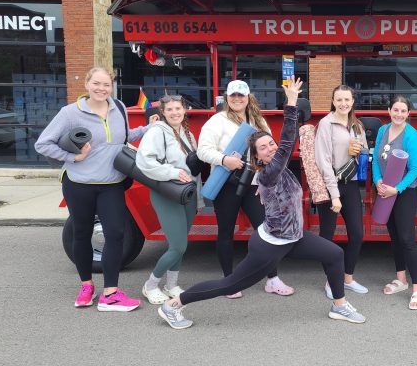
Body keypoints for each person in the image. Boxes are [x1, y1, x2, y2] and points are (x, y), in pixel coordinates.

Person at [158, 77, 366, 329]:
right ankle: (173, 305)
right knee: (230, 284)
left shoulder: (273, 170)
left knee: (335, 254)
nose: (270, 148)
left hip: (293, 237)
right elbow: (287, 140)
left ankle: (339, 306)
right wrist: (291, 102)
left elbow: (286, 146)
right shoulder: (270, 172)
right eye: (263, 148)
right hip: (271, 244)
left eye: (271, 143)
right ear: (257, 157)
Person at [35, 66, 157, 311]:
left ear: (112, 86)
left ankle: (110, 293)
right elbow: (43, 144)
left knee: (116, 234)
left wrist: (149, 128)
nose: (101, 89)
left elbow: (123, 137)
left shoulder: (119, 108)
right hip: (79, 184)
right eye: (97, 84)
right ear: (87, 84)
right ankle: (86, 285)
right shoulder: (70, 113)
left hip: (111, 184)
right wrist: (73, 157)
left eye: (106, 84)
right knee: (82, 234)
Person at [197, 79, 294, 298]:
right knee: (226, 232)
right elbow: (203, 150)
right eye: (233, 95)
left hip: (254, 184)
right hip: (226, 183)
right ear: (227, 97)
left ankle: (272, 279)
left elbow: (269, 152)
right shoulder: (217, 120)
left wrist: (266, 182)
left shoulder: (258, 120)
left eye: (241, 95)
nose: (237, 99)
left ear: (248, 97)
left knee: (266, 231)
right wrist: (224, 160)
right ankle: (229, 282)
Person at [136, 95, 203, 304]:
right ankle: (150, 285)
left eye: (178, 108)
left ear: (184, 110)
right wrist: (172, 173)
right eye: (170, 109)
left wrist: (198, 198)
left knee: (181, 242)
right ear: (163, 113)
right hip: (167, 193)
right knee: (178, 246)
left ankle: (171, 284)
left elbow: (194, 170)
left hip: (187, 193)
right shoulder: (157, 132)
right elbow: (144, 161)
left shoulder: (187, 133)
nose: (175, 113)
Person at [315, 85, 369, 299]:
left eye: (347, 99)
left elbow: (364, 153)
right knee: (327, 237)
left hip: (351, 184)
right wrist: (334, 194)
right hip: (331, 186)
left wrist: (358, 152)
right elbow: (323, 161)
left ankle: (347, 278)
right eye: (339, 99)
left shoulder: (357, 125)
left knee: (357, 234)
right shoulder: (326, 124)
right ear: (333, 101)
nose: (343, 103)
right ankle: (331, 281)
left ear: (353, 101)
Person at [372, 96, 417, 310]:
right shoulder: (382, 130)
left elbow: (414, 170)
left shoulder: (412, 135)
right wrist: (378, 181)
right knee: (394, 236)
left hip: (405, 192)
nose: (399, 114)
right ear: (389, 110)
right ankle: (401, 280)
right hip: (385, 189)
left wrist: (397, 188)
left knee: (407, 238)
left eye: (403, 111)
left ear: (408, 113)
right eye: (396, 110)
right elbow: (376, 159)